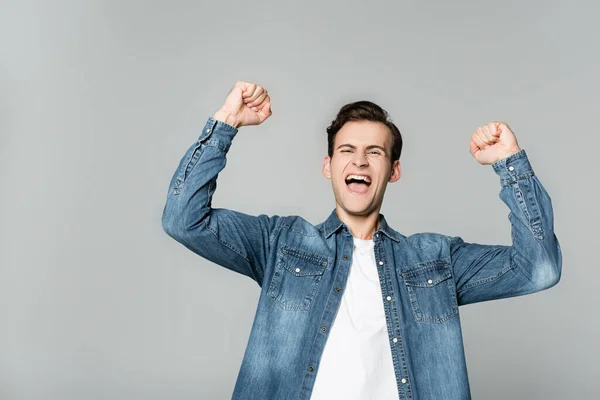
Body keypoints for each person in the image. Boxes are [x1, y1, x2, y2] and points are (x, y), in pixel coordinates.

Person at [161, 81, 562, 400]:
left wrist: (511, 165)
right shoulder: (279, 243)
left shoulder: (435, 259)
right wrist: (226, 120)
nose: (360, 161)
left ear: (393, 171)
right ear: (328, 165)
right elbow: (183, 220)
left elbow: (539, 269)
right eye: (347, 150)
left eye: (375, 152)